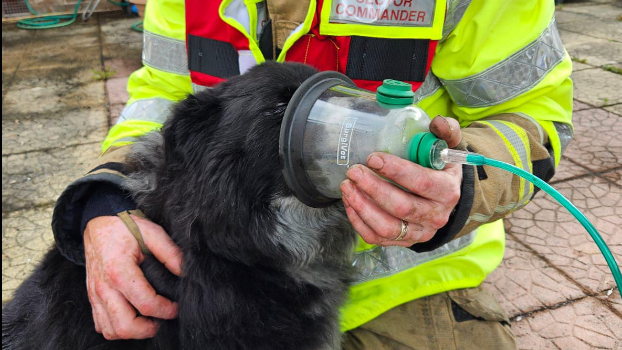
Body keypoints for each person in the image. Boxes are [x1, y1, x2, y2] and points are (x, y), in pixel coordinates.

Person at [51, 0, 573, 348]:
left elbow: (537, 118)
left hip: (407, 289)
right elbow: (161, 99)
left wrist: (459, 189)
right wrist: (105, 201)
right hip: (217, 275)